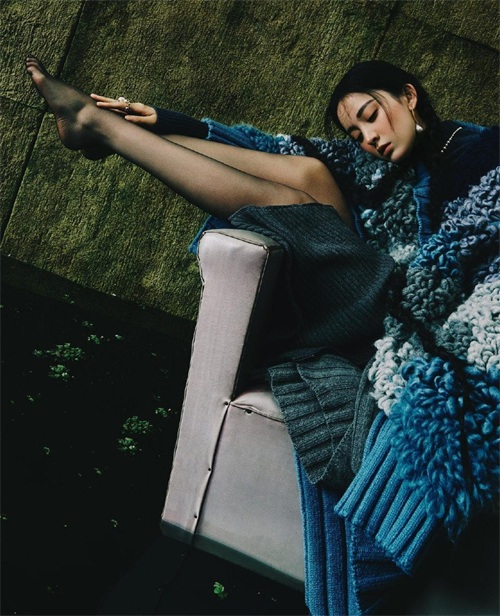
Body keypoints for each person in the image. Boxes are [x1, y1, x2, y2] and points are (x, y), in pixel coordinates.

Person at [26, 57, 498, 615]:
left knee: (298, 203)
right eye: (355, 132)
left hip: (407, 321)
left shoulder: (481, 155)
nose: (368, 138)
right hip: (368, 302)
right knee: (309, 174)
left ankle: (104, 130)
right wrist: (169, 123)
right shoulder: (378, 166)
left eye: (371, 117)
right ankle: (111, 133)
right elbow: (283, 151)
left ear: (409, 97)